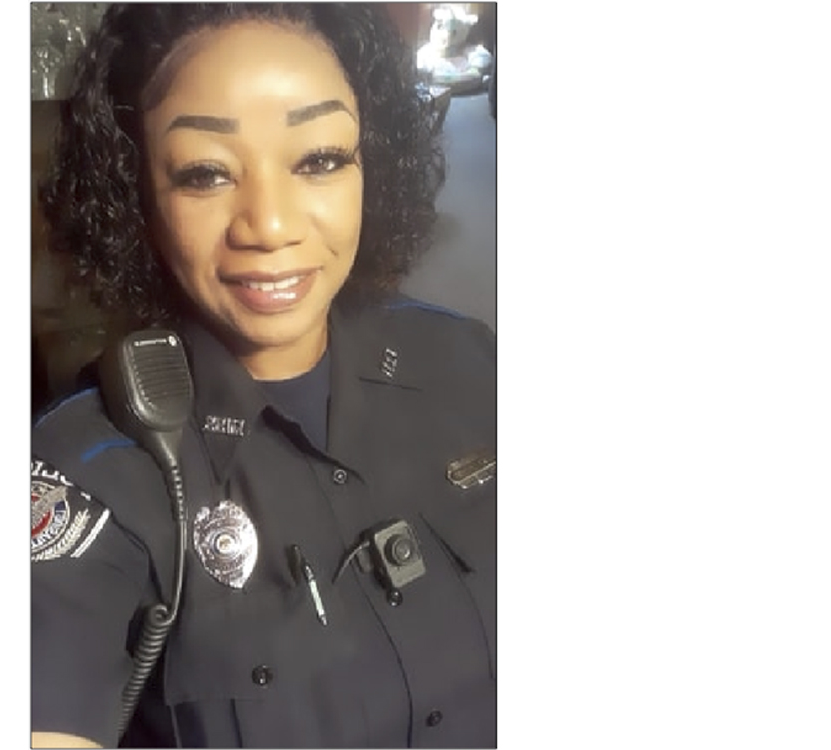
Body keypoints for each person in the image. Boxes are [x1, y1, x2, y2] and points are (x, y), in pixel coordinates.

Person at [31, 4, 496, 747]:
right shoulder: (90, 473)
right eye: (205, 173)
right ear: (138, 193)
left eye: (319, 160)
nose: (270, 226)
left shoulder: (466, 359)